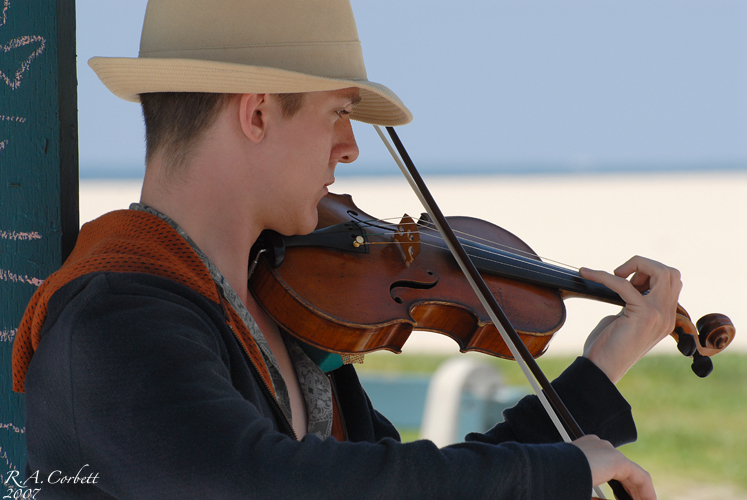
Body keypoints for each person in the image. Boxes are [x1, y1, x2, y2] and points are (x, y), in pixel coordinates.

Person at [12, 0, 682, 498]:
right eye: (337, 112)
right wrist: (553, 472)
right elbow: (267, 484)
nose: (351, 147)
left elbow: (389, 483)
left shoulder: (281, 309)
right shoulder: (113, 319)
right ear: (257, 113)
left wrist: (597, 372)